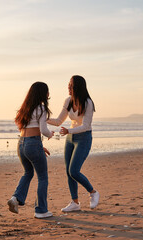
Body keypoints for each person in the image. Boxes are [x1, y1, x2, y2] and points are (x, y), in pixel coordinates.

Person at [47, 75, 99, 212]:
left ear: (77, 87)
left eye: (71, 85)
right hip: (70, 138)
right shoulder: (68, 101)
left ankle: (93, 192)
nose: (68, 87)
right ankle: (75, 203)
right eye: (68, 84)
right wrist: (43, 118)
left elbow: (86, 126)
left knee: (74, 171)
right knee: (68, 172)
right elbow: (58, 121)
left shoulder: (88, 103)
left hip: (84, 138)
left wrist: (69, 130)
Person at [7, 82, 54, 219]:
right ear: (42, 93)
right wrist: (51, 135)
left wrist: (38, 146)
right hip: (33, 143)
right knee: (43, 177)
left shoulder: (25, 108)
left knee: (28, 173)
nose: (48, 94)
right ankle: (41, 210)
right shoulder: (42, 108)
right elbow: (44, 130)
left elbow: (23, 130)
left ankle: (15, 198)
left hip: (21, 144)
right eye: (47, 91)